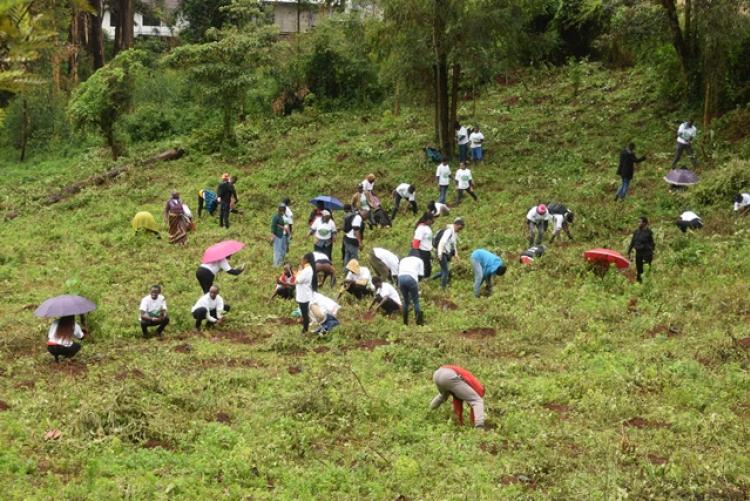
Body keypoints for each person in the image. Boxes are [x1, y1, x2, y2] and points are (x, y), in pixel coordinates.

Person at [433, 218, 465, 289]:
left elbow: (454, 245)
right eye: (460, 228)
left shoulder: (454, 233)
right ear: (456, 225)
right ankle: (442, 288)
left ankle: (431, 280)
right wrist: (439, 254)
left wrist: (456, 255)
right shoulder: (449, 231)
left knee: (444, 271)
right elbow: (442, 242)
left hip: (446, 253)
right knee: (446, 272)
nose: (460, 230)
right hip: (442, 252)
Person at [398, 251, 425, 325]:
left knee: (405, 301)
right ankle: (419, 322)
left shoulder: (403, 260)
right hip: (411, 278)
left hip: (400, 279)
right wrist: (415, 284)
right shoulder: (419, 260)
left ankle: (405, 323)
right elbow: (421, 275)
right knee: (415, 301)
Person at [627, 216, 655, 283]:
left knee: (646, 268)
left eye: (640, 222)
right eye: (638, 222)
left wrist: (651, 251)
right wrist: (629, 251)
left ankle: (647, 283)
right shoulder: (636, 232)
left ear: (644, 223)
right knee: (639, 269)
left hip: (646, 253)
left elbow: (652, 243)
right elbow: (632, 242)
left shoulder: (648, 232)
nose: (638, 223)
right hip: (638, 253)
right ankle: (639, 283)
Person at [295, 253, 315, 333]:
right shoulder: (308, 269)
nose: (301, 261)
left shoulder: (306, 271)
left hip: (304, 297)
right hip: (305, 294)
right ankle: (306, 328)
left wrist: (299, 271)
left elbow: (297, 280)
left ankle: (305, 330)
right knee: (306, 313)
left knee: (305, 314)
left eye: (302, 259)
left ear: (306, 260)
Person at [411, 212, 435, 278]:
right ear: (428, 220)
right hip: (422, 252)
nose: (433, 221)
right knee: (424, 269)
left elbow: (428, 240)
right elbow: (416, 241)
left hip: (427, 251)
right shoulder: (421, 228)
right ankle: (422, 282)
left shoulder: (427, 227)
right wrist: (415, 253)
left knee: (428, 269)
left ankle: (425, 282)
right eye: (432, 220)